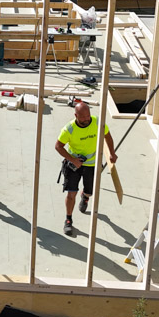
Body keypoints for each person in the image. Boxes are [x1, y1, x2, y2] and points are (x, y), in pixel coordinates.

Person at [55, 101, 117, 236]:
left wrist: (112, 153)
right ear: (76, 115)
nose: (86, 119)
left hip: (92, 164)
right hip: (74, 165)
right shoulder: (69, 129)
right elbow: (58, 146)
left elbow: (107, 136)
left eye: (88, 115)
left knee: (90, 191)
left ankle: (85, 196)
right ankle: (68, 220)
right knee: (71, 193)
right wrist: (72, 160)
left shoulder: (97, 122)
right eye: (82, 117)